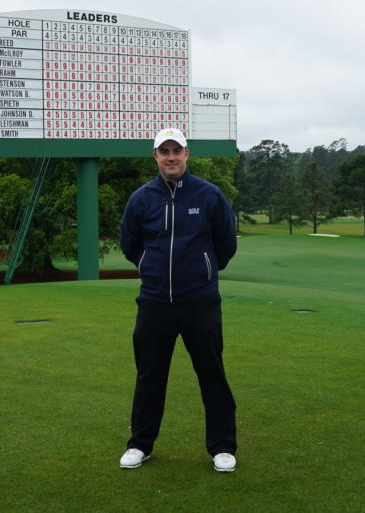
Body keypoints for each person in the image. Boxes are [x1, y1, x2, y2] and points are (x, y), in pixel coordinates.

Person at [118, 127, 239, 472]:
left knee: (212, 374)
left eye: (177, 150)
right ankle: (140, 444)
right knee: (149, 376)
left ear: (187, 154)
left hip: (199, 301)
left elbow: (225, 244)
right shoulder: (141, 198)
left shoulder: (210, 195)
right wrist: (149, 268)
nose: (171, 157)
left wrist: (203, 270)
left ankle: (222, 447)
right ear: (155, 156)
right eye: (164, 151)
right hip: (154, 302)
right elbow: (131, 245)